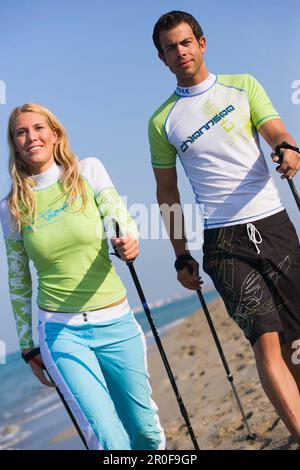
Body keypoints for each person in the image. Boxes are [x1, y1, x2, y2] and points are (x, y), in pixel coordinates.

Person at [148, 10, 300, 445]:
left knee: (297, 328)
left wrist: (287, 148)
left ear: (202, 43)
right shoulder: (162, 121)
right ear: (161, 59)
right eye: (169, 48)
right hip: (223, 243)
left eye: (185, 42)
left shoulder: (243, 86)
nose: (179, 53)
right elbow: (167, 194)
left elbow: (275, 129)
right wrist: (181, 253)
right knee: (265, 338)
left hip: (273, 226)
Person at [0, 103, 165, 451]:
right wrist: (28, 346)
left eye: (39, 128)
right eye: (21, 132)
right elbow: (18, 280)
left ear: (55, 133)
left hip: (116, 321)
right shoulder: (12, 206)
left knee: (145, 432)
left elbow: (116, 213)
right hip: (61, 331)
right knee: (107, 438)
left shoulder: (88, 170)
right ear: (14, 144)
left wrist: (126, 239)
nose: (31, 137)